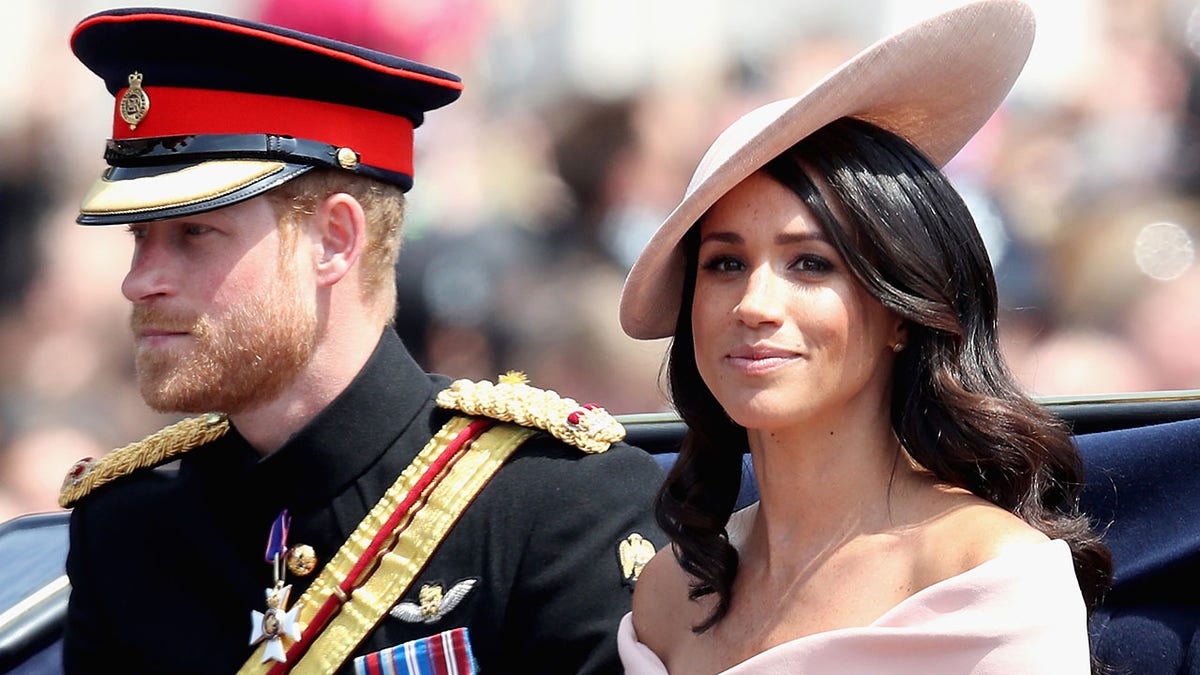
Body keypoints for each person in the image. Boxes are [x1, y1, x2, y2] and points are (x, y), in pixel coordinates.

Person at [58, 8, 664, 674]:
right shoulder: (126, 526)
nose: (139, 282)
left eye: (193, 234)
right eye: (139, 237)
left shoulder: (557, 504)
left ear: (335, 240)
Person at [615, 1, 1112, 673]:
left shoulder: (986, 576)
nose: (755, 304)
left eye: (811, 263)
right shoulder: (666, 595)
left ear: (902, 311)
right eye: (725, 263)